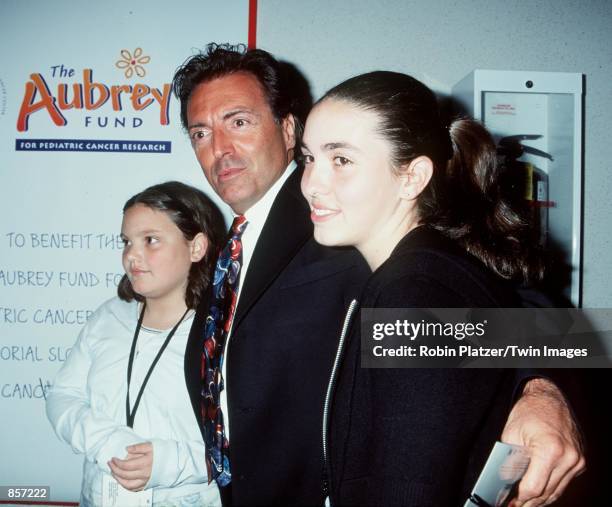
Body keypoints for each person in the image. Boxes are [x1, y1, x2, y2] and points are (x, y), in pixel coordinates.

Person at [172, 44, 584, 506]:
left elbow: (509, 290)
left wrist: (540, 392)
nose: (220, 148)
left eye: (239, 122)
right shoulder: (222, 252)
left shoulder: (346, 213)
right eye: (200, 133)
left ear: (288, 129)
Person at [300, 71, 585, 506]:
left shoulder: (412, 292)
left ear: (412, 177)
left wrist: (544, 391)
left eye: (341, 159)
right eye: (309, 158)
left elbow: (408, 491)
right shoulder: (432, 268)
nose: (311, 184)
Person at [46, 181, 225, 506]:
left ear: (196, 247)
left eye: (150, 240)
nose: (132, 255)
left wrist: (168, 463)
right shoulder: (108, 317)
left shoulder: (223, 334)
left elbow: (253, 441)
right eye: (127, 242)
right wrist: (107, 441)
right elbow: (62, 396)